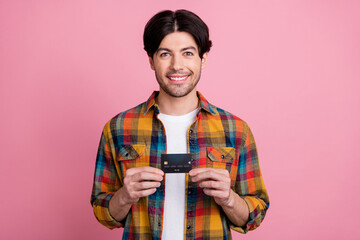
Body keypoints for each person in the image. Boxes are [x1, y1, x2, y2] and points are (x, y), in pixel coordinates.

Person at [90, 9, 269, 239]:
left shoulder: (236, 130)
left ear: (202, 59)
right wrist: (125, 196)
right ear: (151, 61)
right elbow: (101, 210)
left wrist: (229, 198)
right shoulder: (117, 128)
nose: (177, 65)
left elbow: (255, 214)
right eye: (165, 54)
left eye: (187, 53)